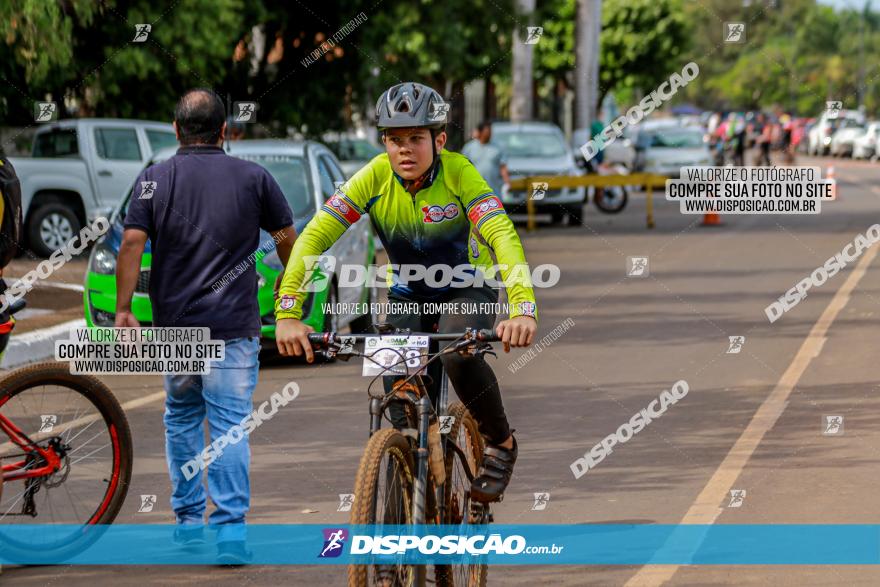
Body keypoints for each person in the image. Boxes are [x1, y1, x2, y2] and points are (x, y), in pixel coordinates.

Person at [274, 82, 538, 503]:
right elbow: (312, 238)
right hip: (407, 293)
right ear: (384, 143)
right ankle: (408, 486)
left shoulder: (460, 173)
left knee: (456, 351)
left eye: (416, 138)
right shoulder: (374, 176)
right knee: (402, 404)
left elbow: (501, 234)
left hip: (468, 287)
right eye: (395, 140)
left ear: (440, 139)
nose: (405, 150)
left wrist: (523, 308)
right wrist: (288, 312)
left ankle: (500, 442)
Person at [115, 88, 296, 563]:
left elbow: (132, 242)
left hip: (176, 330)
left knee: (181, 420)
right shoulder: (253, 177)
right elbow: (285, 237)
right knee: (231, 427)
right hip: (234, 327)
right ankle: (231, 534)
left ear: (176, 130)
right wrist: (288, 290)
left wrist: (123, 310)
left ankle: (188, 523)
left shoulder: (154, 179)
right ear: (225, 132)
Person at [461, 120, 510, 198]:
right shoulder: (469, 147)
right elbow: (463, 167)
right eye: (487, 131)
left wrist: (507, 184)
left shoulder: (498, 147)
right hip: (474, 191)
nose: (490, 134)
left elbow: (503, 167)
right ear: (480, 132)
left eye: (490, 131)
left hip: (493, 190)